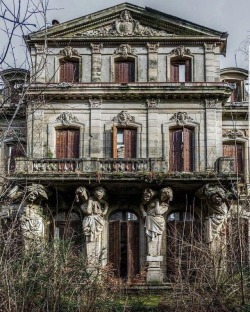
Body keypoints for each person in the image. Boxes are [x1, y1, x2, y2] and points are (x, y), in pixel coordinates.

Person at [140, 187, 173, 256]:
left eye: (165, 198)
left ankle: (155, 254)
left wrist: (157, 203)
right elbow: (142, 204)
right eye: (163, 196)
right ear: (161, 193)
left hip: (159, 221)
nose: (163, 198)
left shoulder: (165, 206)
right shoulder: (151, 199)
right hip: (149, 219)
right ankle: (150, 253)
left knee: (157, 239)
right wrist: (143, 212)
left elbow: (158, 212)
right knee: (150, 238)